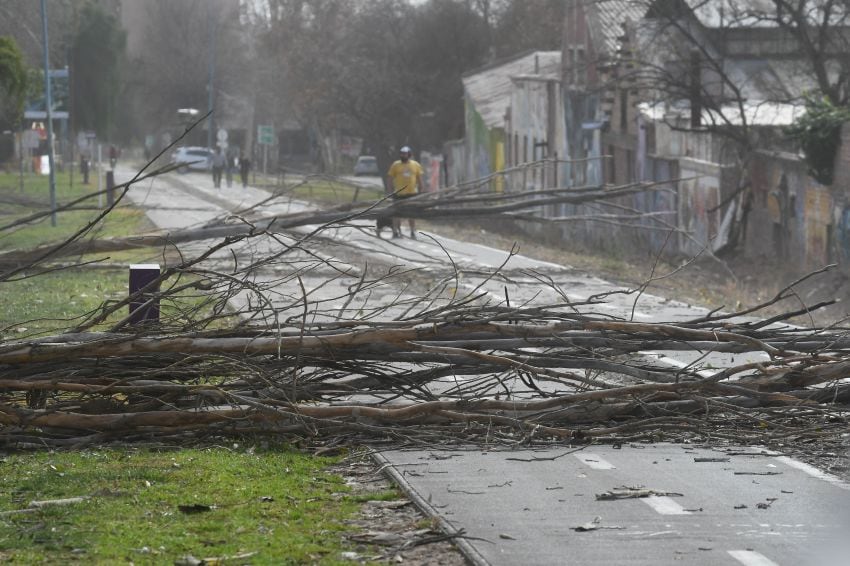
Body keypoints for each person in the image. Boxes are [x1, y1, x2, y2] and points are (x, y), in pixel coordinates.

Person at [386, 146, 425, 239]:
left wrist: (421, 190)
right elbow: (390, 179)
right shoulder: (395, 165)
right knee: (396, 213)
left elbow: (419, 179)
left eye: (405, 154)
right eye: (401, 154)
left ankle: (412, 231)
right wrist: (390, 191)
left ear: (409, 154)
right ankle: (395, 231)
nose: (403, 155)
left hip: (411, 193)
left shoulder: (415, 165)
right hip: (399, 193)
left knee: (411, 214)